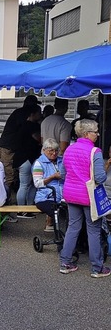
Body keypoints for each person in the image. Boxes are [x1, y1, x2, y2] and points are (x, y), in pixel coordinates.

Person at [59, 119, 110, 277]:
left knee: (73, 227)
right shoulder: (95, 152)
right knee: (93, 230)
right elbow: (100, 177)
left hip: (70, 193)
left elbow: (62, 173)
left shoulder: (69, 149)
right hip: (88, 195)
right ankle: (97, 267)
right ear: (87, 134)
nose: (97, 134)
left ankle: (65, 262)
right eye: (95, 131)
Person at [0, 94, 42, 191]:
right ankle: (6, 201)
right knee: (9, 178)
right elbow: (35, 135)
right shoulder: (23, 115)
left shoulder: (20, 113)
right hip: (7, 148)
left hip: (9, 148)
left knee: (13, 178)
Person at [13, 104, 42, 219]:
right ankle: (23, 209)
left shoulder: (22, 125)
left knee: (26, 184)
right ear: (32, 114)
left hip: (21, 159)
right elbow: (39, 139)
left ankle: (25, 209)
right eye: (39, 112)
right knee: (27, 185)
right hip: (27, 159)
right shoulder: (32, 126)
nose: (40, 114)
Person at [32, 138, 64, 233]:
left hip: (62, 197)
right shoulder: (39, 163)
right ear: (44, 150)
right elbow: (37, 183)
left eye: (56, 150)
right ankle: (61, 241)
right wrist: (52, 177)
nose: (54, 153)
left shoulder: (61, 161)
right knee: (58, 216)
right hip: (45, 198)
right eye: (51, 150)